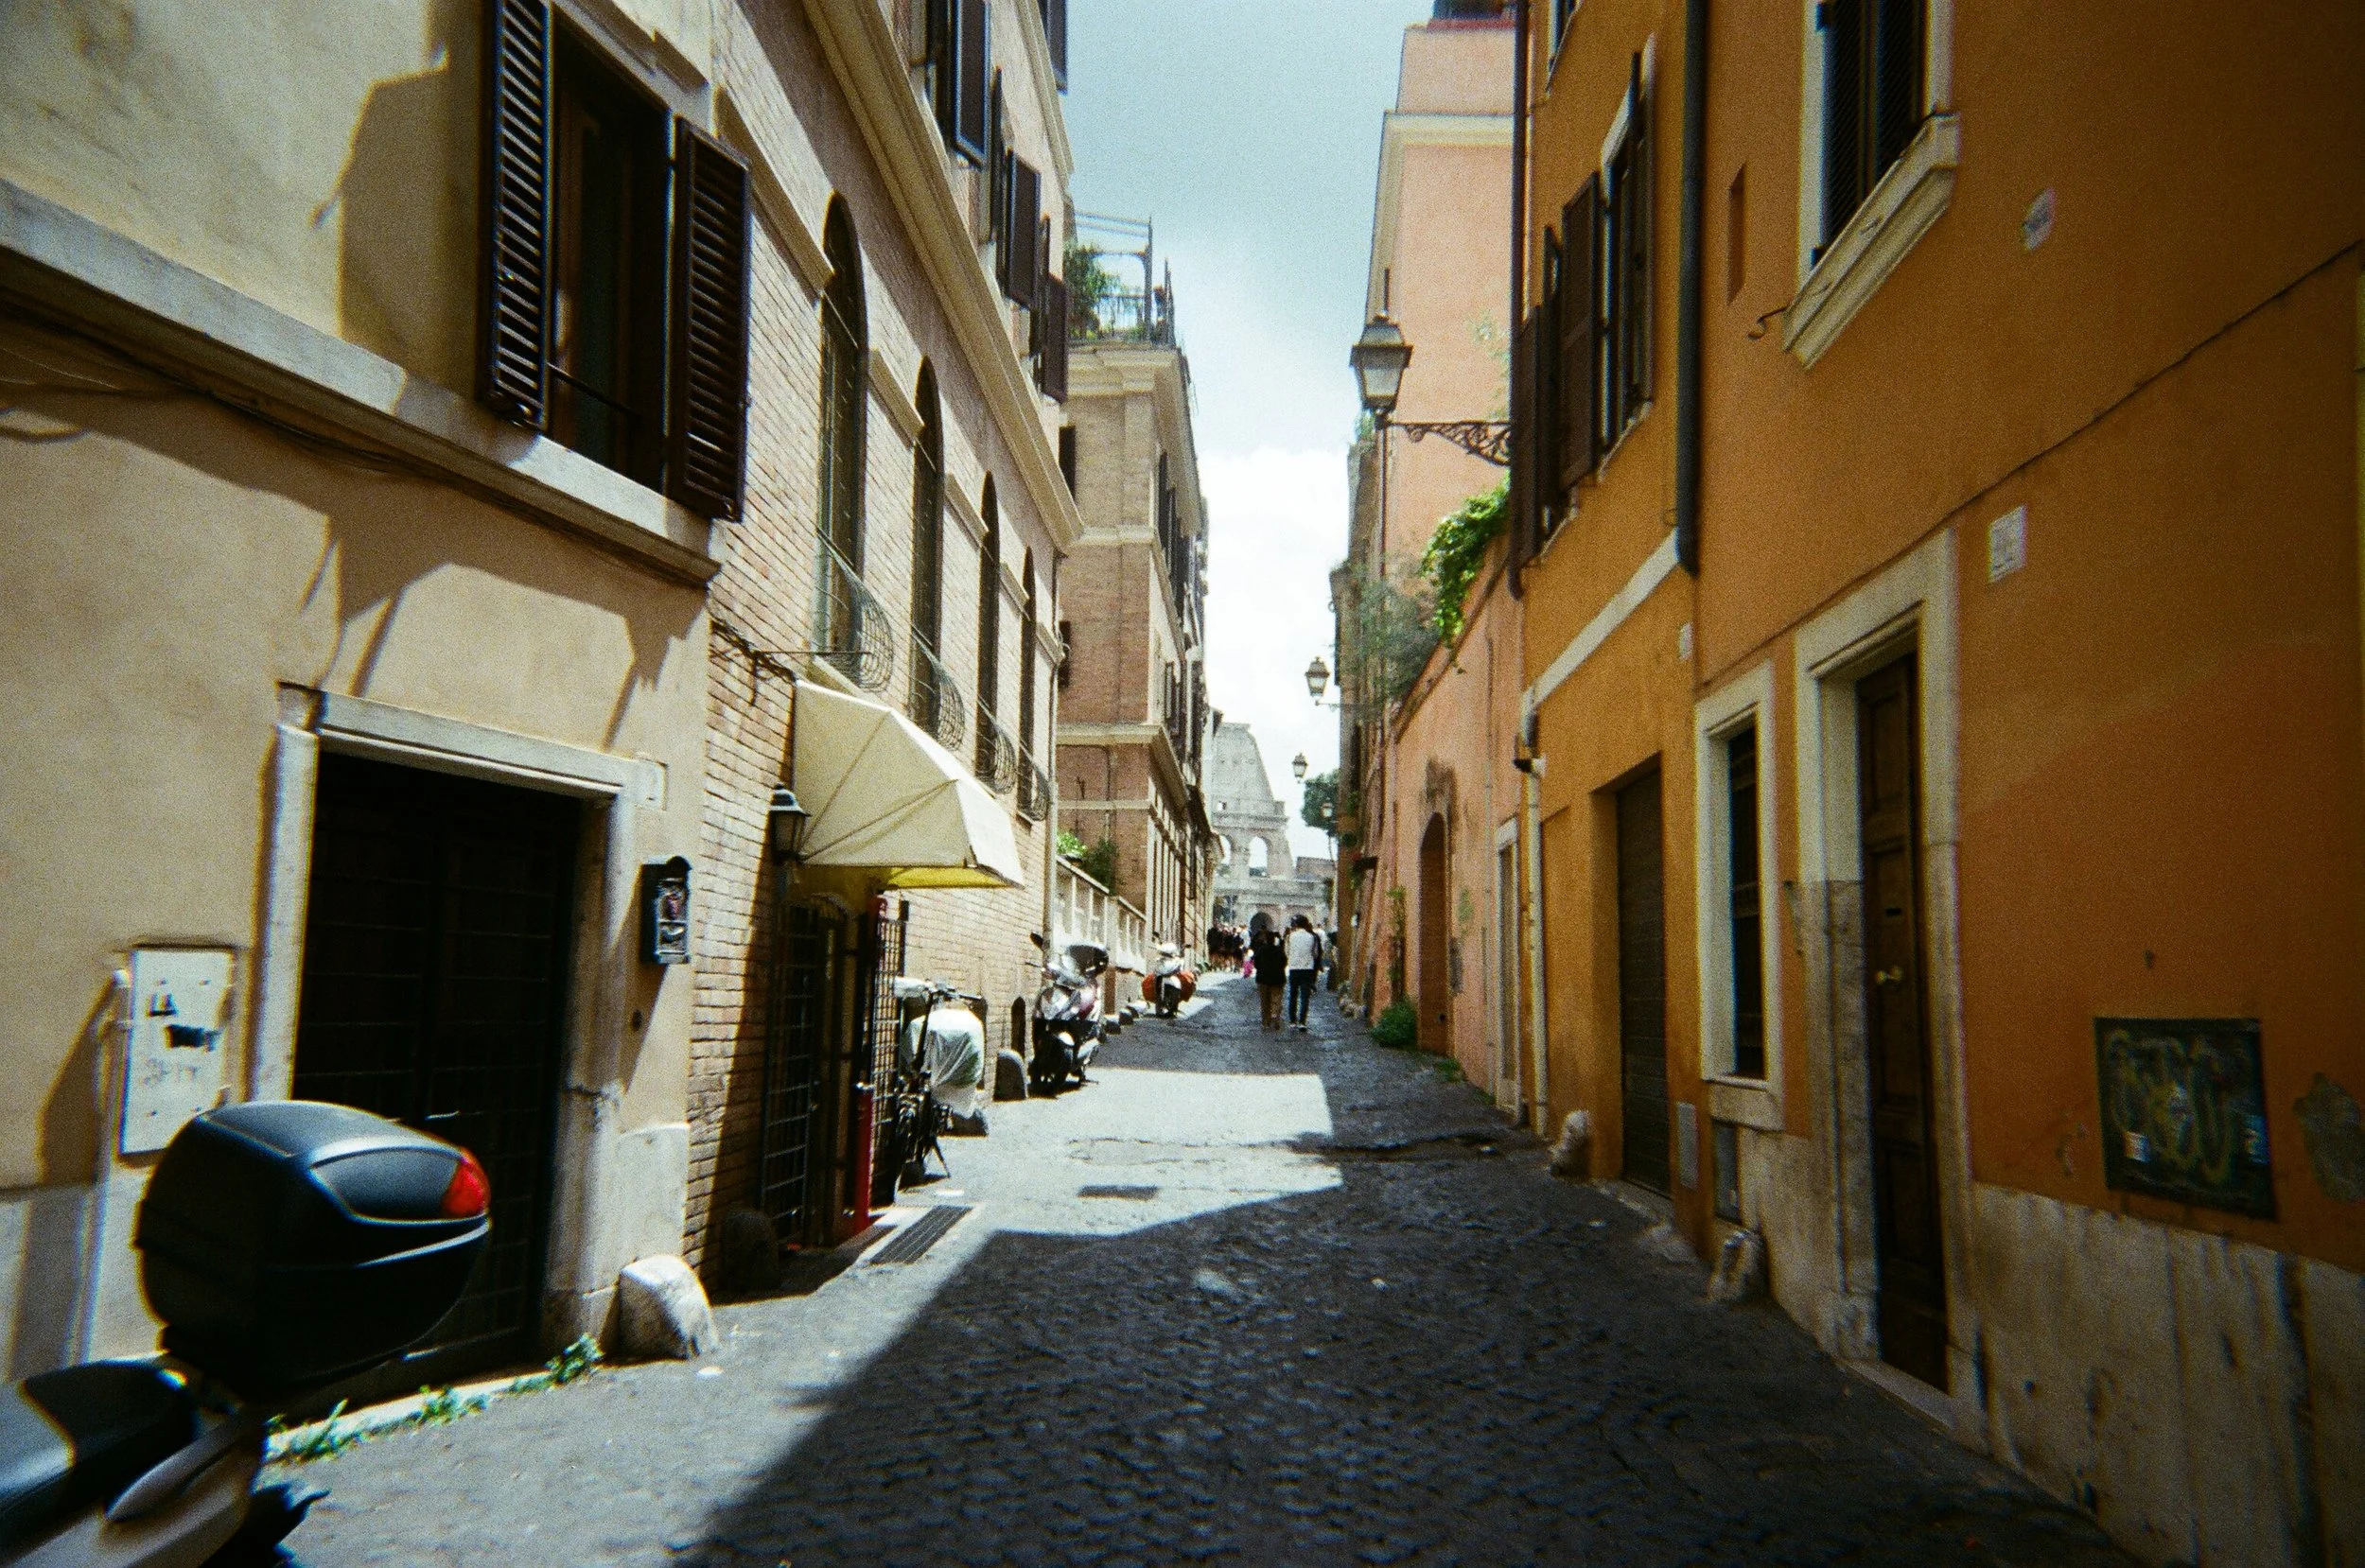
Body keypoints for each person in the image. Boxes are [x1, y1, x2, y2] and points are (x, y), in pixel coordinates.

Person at [1284, 915, 1322, 1032]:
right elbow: (1315, 954)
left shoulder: (1290, 937)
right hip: (1307, 969)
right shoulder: (1312, 937)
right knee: (1305, 996)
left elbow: (1287, 952)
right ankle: (1302, 1022)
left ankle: (1292, 1020)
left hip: (1294, 968)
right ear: (1306, 924)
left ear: (1295, 925)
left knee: (1293, 994)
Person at [1250, 927, 1288, 1030]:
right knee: (1276, 999)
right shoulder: (1279, 951)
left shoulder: (1261, 950)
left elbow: (1256, 964)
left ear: (1266, 940)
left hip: (1263, 978)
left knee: (1264, 1001)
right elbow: (1284, 963)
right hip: (1277, 978)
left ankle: (1266, 1022)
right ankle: (1275, 1016)